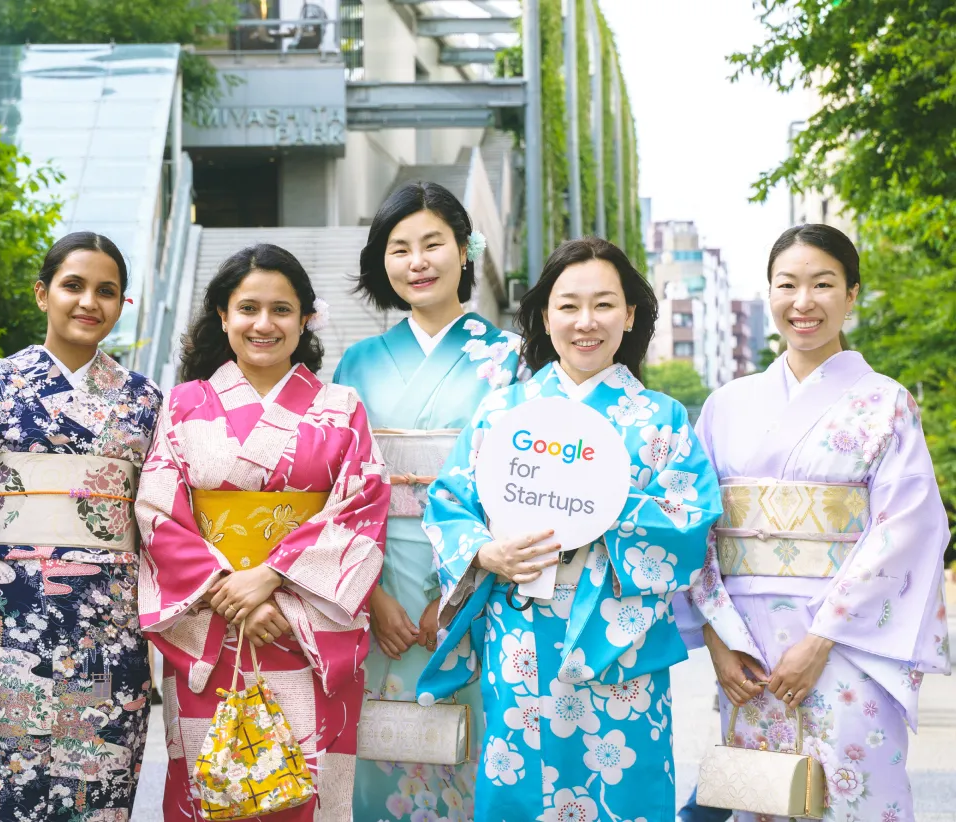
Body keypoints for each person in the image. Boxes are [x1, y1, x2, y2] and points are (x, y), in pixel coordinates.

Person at [420, 237, 722, 822]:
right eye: (568, 305)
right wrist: (485, 552)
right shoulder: (502, 411)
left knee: (625, 789)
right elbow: (450, 501)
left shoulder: (662, 419)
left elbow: (690, 519)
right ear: (544, 315)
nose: (586, 322)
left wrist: (601, 524)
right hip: (521, 633)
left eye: (605, 304)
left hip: (619, 643)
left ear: (631, 315)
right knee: (518, 791)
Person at [682, 224, 951, 821]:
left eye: (823, 284)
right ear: (770, 293)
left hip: (849, 641)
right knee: (763, 795)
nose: (803, 302)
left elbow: (906, 527)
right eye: (788, 284)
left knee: (854, 792)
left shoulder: (886, 402)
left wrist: (821, 638)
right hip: (747, 644)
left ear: (851, 293)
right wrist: (718, 640)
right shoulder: (726, 405)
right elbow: (692, 525)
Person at [136, 243, 390, 821]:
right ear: (223, 316)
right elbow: (157, 512)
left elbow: (362, 507)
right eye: (247, 308)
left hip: (304, 628)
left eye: (282, 309)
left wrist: (271, 577)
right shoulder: (181, 406)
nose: (263, 324)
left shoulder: (342, 407)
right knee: (209, 788)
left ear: (305, 319)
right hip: (211, 622)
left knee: (310, 789)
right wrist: (228, 588)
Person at [0, 232, 161, 821]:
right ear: (42, 294)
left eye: (107, 292)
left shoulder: (144, 400)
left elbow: (160, 510)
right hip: (8, 608)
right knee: (3, 773)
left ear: (122, 305)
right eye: (73, 286)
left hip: (108, 616)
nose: (89, 302)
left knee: (98, 775)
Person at [332, 181, 527, 821]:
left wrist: (462, 588)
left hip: (475, 579)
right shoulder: (356, 363)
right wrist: (372, 595)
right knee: (380, 745)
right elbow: (339, 489)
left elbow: (521, 488)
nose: (417, 262)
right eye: (399, 248)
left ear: (465, 251)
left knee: (471, 745)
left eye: (433, 244)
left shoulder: (511, 360)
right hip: (376, 569)